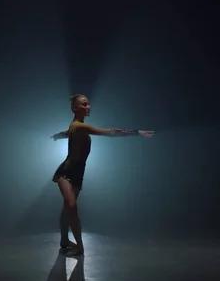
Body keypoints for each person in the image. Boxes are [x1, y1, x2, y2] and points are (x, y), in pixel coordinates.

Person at [50, 94, 154, 256]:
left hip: (77, 174)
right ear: (75, 108)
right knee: (71, 206)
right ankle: (79, 246)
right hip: (65, 172)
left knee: (67, 208)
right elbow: (111, 132)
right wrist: (136, 132)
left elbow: (68, 132)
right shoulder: (79, 126)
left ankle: (64, 241)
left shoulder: (76, 126)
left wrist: (58, 135)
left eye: (89, 104)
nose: (88, 107)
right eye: (84, 104)